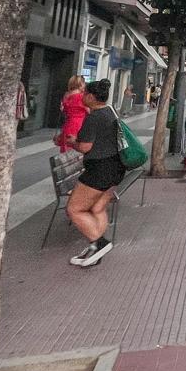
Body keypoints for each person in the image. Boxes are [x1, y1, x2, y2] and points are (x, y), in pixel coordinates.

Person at [65, 79, 124, 267]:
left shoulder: (94, 117)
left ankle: (99, 243)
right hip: (116, 168)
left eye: (84, 94)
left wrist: (72, 142)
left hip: (99, 170)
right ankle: (95, 248)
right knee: (97, 208)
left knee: (74, 209)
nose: (82, 97)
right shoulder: (111, 112)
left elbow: (84, 147)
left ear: (91, 96)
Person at [56, 75, 87, 153]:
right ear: (80, 84)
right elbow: (89, 111)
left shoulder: (66, 96)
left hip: (69, 124)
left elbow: (64, 111)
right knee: (78, 148)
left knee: (67, 151)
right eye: (84, 83)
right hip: (79, 125)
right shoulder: (81, 97)